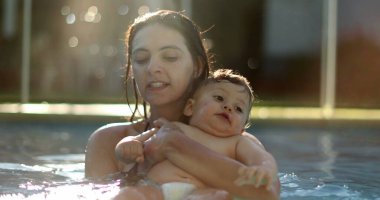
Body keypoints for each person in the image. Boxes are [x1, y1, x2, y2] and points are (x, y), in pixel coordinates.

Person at [85, 10, 280, 199]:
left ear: (197, 66)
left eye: (170, 57)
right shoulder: (108, 142)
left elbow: (267, 194)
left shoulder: (234, 142)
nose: (153, 68)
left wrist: (174, 145)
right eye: (141, 59)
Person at [114, 69, 278, 200]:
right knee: (129, 195)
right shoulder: (172, 128)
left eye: (238, 108)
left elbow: (261, 156)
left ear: (242, 127)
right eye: (219, 98)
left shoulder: (237, 142)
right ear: (190, 108)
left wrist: (264, 168)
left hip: (202, 193)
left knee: (219, 197)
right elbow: (137, 143)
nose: (228, 107)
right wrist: (127, 145)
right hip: (156, 190)